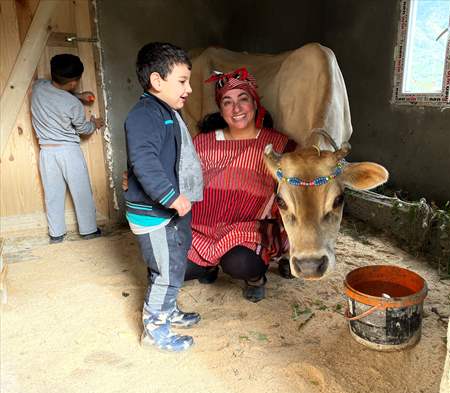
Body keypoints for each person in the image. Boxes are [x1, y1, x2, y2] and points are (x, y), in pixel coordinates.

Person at [184, 67, 294, 302]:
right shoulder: (201, 142)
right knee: (181, 269)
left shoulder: (278, 145)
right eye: (227, 102)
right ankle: (208, 265)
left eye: (243, 99)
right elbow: (180, 174)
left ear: (255, 103)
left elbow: (299, 186)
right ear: (220, 108)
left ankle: (255, 279)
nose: (236, 109)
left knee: (241, 263)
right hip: (201, 227)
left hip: (249, 229)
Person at [124, 42, 204, 353]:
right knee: (166, 271)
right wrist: (170, 196)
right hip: (156, 213)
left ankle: (168, 309)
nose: (189, 90)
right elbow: (143, 159)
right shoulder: (145, 114)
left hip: (167, 211)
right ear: (157, 81)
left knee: (172, 263)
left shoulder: (164, 111)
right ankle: (155, 328)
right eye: (182, 82)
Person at [31, 53, 105, 244]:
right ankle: (89, 230)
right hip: (68, 151)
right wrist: (94, 123)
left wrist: (77, 95)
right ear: (73, 83)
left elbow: (53, 93)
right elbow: (84, 130)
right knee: (81, 191)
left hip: (46, 151)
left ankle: (56, 235)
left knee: (52, 194)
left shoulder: (38, 88)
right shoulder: (73, 105)